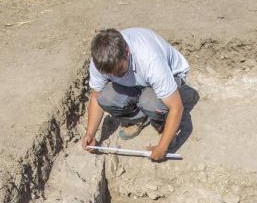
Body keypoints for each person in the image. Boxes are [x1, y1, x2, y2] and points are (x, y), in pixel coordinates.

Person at [80, 27, 190, 162]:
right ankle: (137, 119)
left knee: (149, 101)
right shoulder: (100, 61)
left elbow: (177, 107)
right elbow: (96, 96)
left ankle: (163, 125)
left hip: (170, 75)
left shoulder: (150, 59)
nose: (115, 75)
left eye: (119, 69)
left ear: (126, 52)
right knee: (106, 97)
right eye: (110, 73)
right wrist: (90, 133)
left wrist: (162, 147)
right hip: (138, 82)